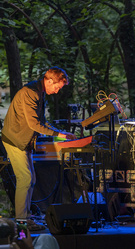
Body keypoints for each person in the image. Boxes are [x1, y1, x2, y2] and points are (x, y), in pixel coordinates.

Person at [1, 67, 76, 229]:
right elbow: (34, 124)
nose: (56, 91)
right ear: (49, 81)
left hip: (24, 140)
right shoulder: (30, 93)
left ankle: (26, 216)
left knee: (31, 179)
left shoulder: (40, 93)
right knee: (25, 178)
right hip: (14, 140)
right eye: (57, 87)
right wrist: (59, 135)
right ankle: (21, 222)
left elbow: (41, 122)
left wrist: (61, 133)